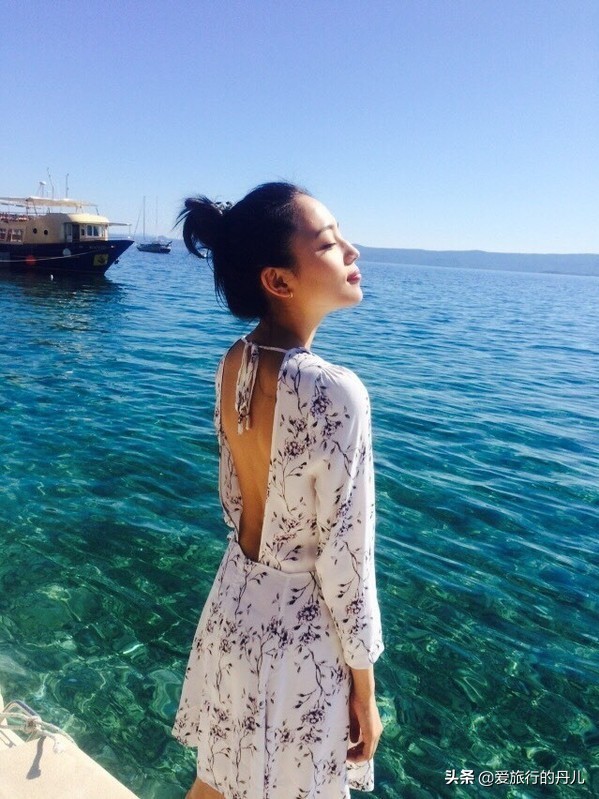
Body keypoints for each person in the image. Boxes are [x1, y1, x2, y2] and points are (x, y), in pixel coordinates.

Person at [172, 182, 384, 799]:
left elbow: (234, 499)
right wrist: (365, 692)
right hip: (298, 635)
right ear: (279, 280)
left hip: (233, 603)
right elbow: (348, 562)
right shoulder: (336, 392)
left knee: (215, 784)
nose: (351, 250)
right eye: (329, 243)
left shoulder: (234, 361)